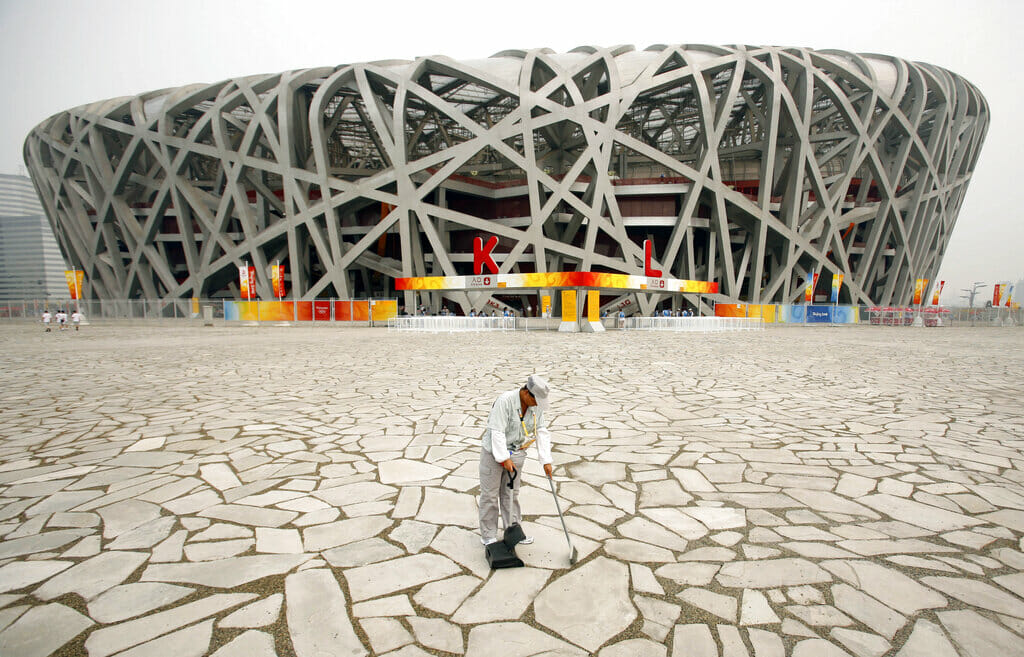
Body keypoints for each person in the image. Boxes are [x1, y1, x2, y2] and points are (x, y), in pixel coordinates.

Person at [479, 375, 554, 546]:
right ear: (527, 393)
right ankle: (488, 536)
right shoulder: (505, 401)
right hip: (493, 453)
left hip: (517, 452)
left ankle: (513, 532)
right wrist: (504, 458)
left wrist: (546, 460)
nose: (538, 405)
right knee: (490, 495)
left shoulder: (536, 406)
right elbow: (496, 432)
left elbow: (541, 430)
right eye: (536, 401)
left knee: (511, 494)